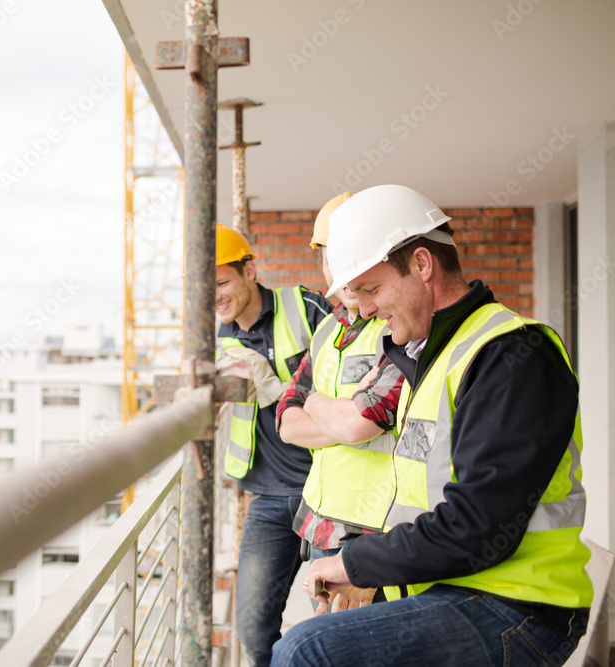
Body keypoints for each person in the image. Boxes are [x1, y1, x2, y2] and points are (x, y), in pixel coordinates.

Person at [272, 185, 592, 666]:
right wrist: (368, 570)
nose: (361, 309)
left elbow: (478, 526)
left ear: (422, 265)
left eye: (371, 289)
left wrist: (359, 563)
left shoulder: (510, 355)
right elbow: (420, 501)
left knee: (307, 648)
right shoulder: (430, 359)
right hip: (453, 589)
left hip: (522, 608)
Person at [214, 223, 331, 667]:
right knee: (251, 627)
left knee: (332, 616)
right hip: (267, 497)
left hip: (326, 490)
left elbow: (348, 382)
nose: (216, 297)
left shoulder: (304, 308)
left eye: (223, 282)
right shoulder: (219, 336)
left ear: (250, 270)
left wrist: (271, 382)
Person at [276, 192, 403, 586]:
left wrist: (314, 404)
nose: (344, 269)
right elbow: (286, 422)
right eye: (332, 257)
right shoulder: (328, 328)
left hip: (376, 529)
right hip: (321, 520)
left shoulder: (400, 326)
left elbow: (359, 426)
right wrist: (340, 407)